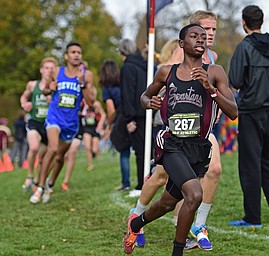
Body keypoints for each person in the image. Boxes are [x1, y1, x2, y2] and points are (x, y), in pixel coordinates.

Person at [123, 24, 238, 256]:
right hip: (172, 143)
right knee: (194, 194)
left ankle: (135, 225)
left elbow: (234, 111)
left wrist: (210, 89)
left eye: (203, 37)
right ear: (182, 44)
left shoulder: (215, 72)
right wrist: (150, 103)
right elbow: (145, 96)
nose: (200, 40)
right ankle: (177, 252)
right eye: (194, 36)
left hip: (198, 147)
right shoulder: (167, 72)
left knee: (167, 202)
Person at [228, 5, 269, 227]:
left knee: (250, 164)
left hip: (251, 111)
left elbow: (234, 80)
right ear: (260, 22)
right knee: (267, 160)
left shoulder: (244, 47)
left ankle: (253, 217)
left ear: (244, 22)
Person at [30, 42, 95, 204]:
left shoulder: (86, 75)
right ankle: (39, 187)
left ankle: (49, 184)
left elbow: (91, 102)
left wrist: (82, 84)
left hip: (71, 122)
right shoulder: (57, 71)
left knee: (60, 157)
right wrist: (49, 88)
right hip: (54, 117)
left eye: (79, 52)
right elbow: (44, 89)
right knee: (52, 148)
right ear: (66, 56)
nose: (76, 55)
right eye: (73, 52)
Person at [20, 57, 57, 190]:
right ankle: (30, 175)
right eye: (46, 68)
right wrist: (25, 104)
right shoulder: (32, 84)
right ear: (41, 70)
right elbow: (24, 96)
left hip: (49, 125)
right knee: (34, 148)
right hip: (34, 121)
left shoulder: (56, 87)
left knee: (43, 158)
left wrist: (52, 102)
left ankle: (38, 180)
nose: (49, 71)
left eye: (51, 68)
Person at [118, 39, 148, 197]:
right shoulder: (144, 65)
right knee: (146, 150)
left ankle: (142, 184)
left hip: (136, 115)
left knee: (140, 151)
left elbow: (127, 93)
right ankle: (146, 181)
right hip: (147, 112)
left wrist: (129, 118)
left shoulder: (128, 67)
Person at [100, 60, 132, 191]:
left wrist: (109, 125)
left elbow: (111, 110)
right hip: (131, 116)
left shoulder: (107, 89)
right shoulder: (123, 84)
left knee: (124, 152)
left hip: (120, 120)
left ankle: (125, 183)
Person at [82, 90, 106, 171]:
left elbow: (103, 115)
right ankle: (90, 164)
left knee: (94, 149)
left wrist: (100, 124)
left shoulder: (96, 104)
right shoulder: (83, 103)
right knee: (87, 146)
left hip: (95, 128)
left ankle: (97, 156)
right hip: (86, 128)